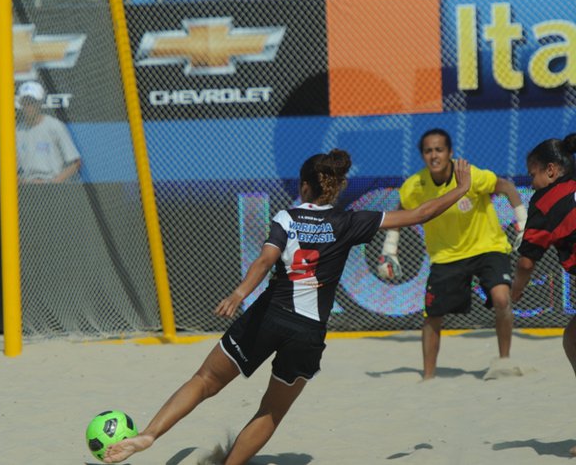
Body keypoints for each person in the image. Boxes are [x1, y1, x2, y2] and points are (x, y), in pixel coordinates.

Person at [103, 149, 472, 465]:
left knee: (204, 381)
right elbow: (420, 214)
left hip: (269, 316)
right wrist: (460, 189)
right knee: (271, 410)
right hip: (307, 334)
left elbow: (265, 260)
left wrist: (239, 293)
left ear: (305, 187)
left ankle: (148, 435)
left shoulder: (288, 217)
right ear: (336, 187)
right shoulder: (348, 221)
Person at [376, 128, 526, 380]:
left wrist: (523, 222)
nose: (434, 155)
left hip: (487, 246)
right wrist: (389, 250)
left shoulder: (469, 174)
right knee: (432, 315)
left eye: (439, 150)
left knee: (501, 298)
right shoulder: (415, 185)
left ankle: (504, 361)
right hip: (446, 256)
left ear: (450, 152)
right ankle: (428, 378)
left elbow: (507, 187)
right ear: (422, 155)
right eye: (428, 151)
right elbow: (400, 210)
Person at [512, 135, 576, 381]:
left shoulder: (544, 202)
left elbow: (526, 262)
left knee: (571, 338)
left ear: (550, 170)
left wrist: (516, 290)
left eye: (532, 175)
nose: (531, 184)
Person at [16, 80, 81, 183]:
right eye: (26, 102)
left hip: (53, 184)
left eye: (32, 102)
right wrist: (24, 182)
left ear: (40, 103)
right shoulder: (17, 131)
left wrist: (54, 182)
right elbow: (8, 168)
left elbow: (76, 162)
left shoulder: (55, 126)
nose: (29, 106)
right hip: (27, 186)